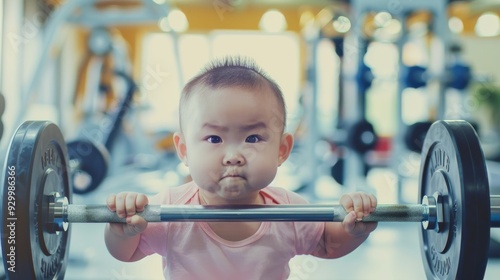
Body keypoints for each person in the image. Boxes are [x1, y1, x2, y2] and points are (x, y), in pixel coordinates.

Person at [105, 57, 378, 279]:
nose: (233, 156)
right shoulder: (169, 208)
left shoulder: (289, 211)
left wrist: (354, 229)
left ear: (282, 150)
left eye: (252, 138)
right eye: (214, 139)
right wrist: (122, 230)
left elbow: (328, 243)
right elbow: (127, 253)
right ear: (184, 150)